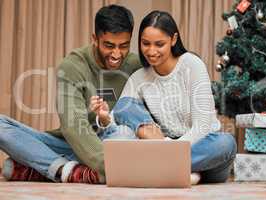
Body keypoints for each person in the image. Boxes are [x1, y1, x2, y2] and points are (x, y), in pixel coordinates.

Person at [0, 5, 148, 184]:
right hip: (71, 143)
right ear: (95, 38)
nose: (116, 54)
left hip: (113, 139)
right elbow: (73, 125)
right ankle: (69, 170)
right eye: (109, 46)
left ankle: (48, 168)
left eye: (124, 46)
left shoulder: (136, 65)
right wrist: (110, 165)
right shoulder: (73, 66)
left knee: (124, 135)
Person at [92, 10, 237, 184]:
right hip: (162, 146)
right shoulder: (139, 77)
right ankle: (175, 173)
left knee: (226, 143)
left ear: (173, 39)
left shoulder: (191, 64)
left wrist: (170, 151)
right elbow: (117, 123)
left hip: (200, 149)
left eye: (159, 44)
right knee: (126, 105)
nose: (151, 51)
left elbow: (203, 126)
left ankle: (155, 169)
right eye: (146, 43)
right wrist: (105, 118)